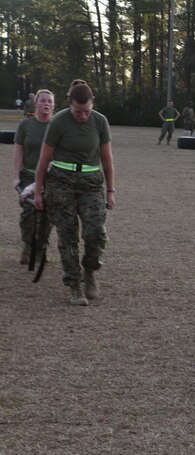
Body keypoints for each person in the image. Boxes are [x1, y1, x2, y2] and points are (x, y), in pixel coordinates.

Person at [33, 82, 115, 306]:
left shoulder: (100, 121)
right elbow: (44, 160)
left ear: (92, 103)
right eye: (78, 111)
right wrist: (39, 191)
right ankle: (74, 286)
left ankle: (90, 270)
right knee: (67, 237)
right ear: (70, 104)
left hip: (91, 183)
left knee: (96, 231)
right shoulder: (59, 121)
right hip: (61, 183)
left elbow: (107, 159)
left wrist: (110, 190)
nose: (82, 115)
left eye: (86, 111)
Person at [13, 89, 55, 264]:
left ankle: (41, 247)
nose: (46, 104)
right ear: (36, 103)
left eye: (50, 102)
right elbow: (18, 151)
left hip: (51, 178)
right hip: (29, 176)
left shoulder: (56, 125)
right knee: (29, 213)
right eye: (43, 101)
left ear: (53, 106)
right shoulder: (26, 125)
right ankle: (28, 245)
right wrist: (16, 176)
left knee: (47, 214)